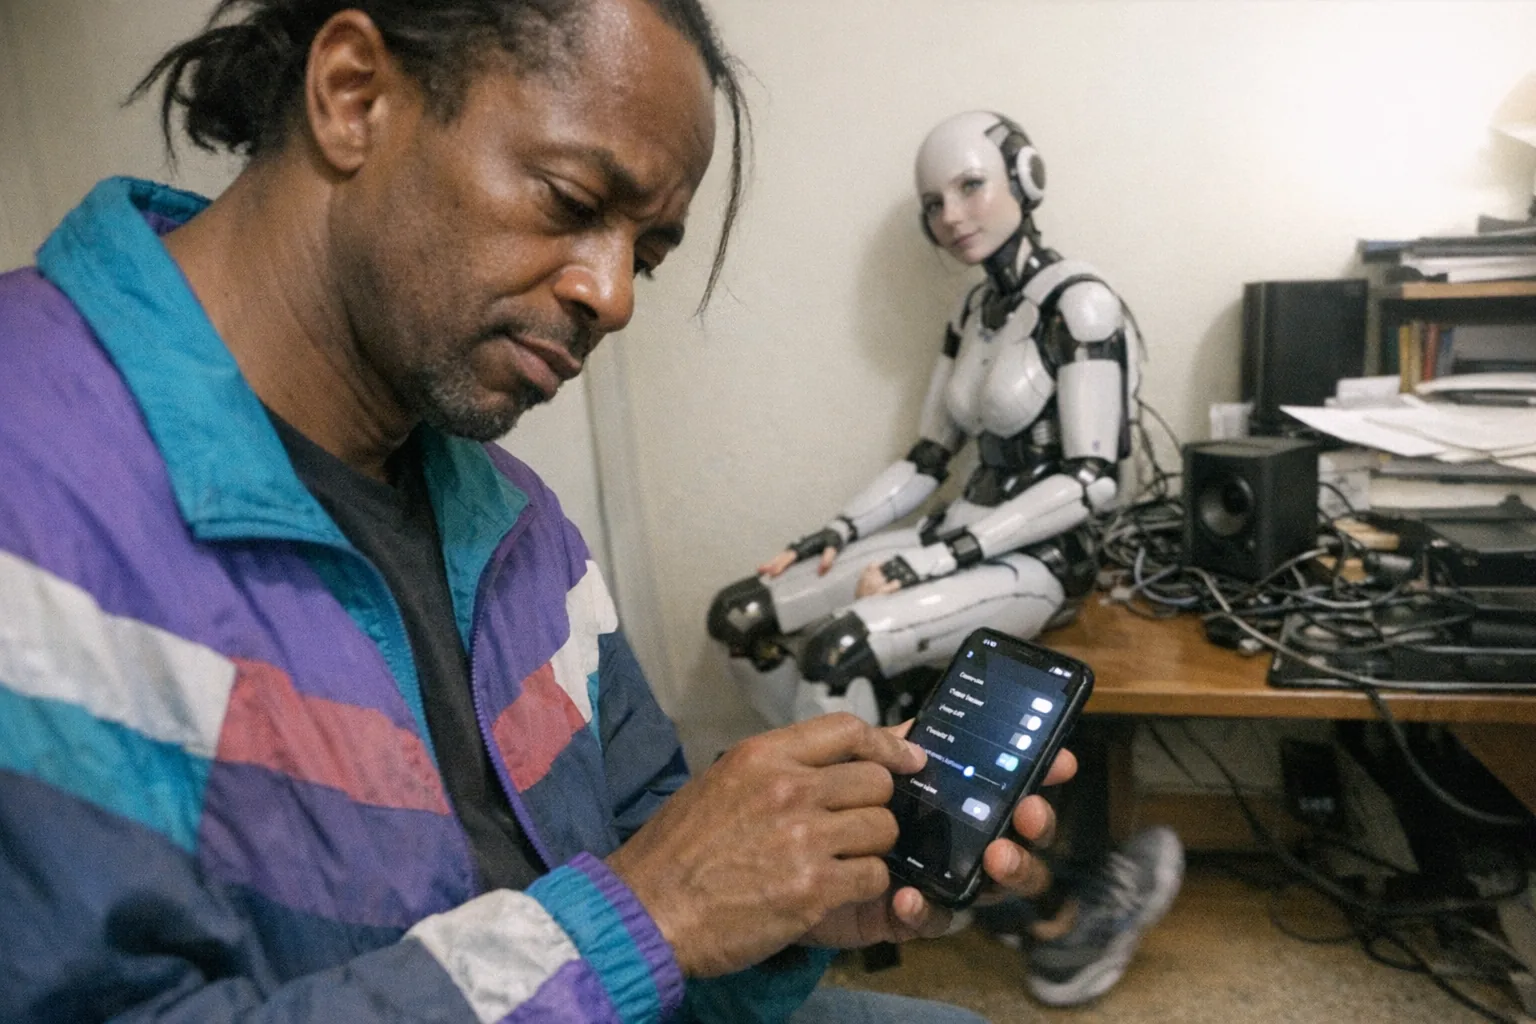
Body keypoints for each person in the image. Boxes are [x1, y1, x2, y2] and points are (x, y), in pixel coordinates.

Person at [0, 6, 1073, 1023]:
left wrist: (773, 914)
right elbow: (635, 920)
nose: (615, 297)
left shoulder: (519, 530)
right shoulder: (34, 495)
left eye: (646, 254)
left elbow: (656, 916)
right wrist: (643, 918)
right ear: (352, 94)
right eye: (569, 199)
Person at [707, 110, 1184, 1006]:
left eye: (971, 185)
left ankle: (930, 879)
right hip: (961, 529)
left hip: (1038, 555)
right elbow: (929, 460)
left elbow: (1091, 482)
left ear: (1025, 178)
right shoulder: (974, 310)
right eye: (935, 200)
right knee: (742, 620)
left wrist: (946, 555)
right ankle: (872, 854)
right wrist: (836, 535)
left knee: (838, 652)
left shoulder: (1080, 304)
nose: (952, 214)